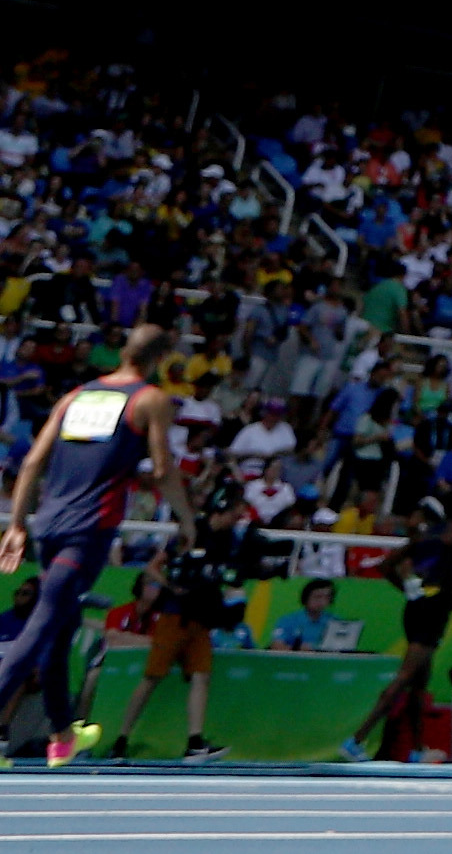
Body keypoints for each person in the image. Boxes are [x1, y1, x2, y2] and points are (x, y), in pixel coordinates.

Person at [0, 323, 182, 757]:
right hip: (88, 531)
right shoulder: (150, 398)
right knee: (43, 625)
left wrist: (17, 525)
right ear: (159, 361)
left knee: (62, 626)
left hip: (48, 524)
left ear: (124, 350)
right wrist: (187, 520)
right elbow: (162, 471)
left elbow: (31, 464)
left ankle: (62, 736)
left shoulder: (75, 396)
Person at [119, 487, 268, 762]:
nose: (237, 521)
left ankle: (195, 742)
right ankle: (121, 739)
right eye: (234, 515)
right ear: (221, 509)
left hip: (202, 618)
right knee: (152, 678)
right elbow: (153, 567)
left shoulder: (227, 542)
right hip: (176, 615)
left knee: (202, 676)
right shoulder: (192, 531)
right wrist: (172, 587)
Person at [343, 506, 452, 765]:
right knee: (405, 676)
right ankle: (356, 739)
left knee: (419, 682)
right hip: (435, 608)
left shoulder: (421, 538)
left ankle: (418, 747)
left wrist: (407, 589)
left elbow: (386, 565)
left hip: (415, 605)